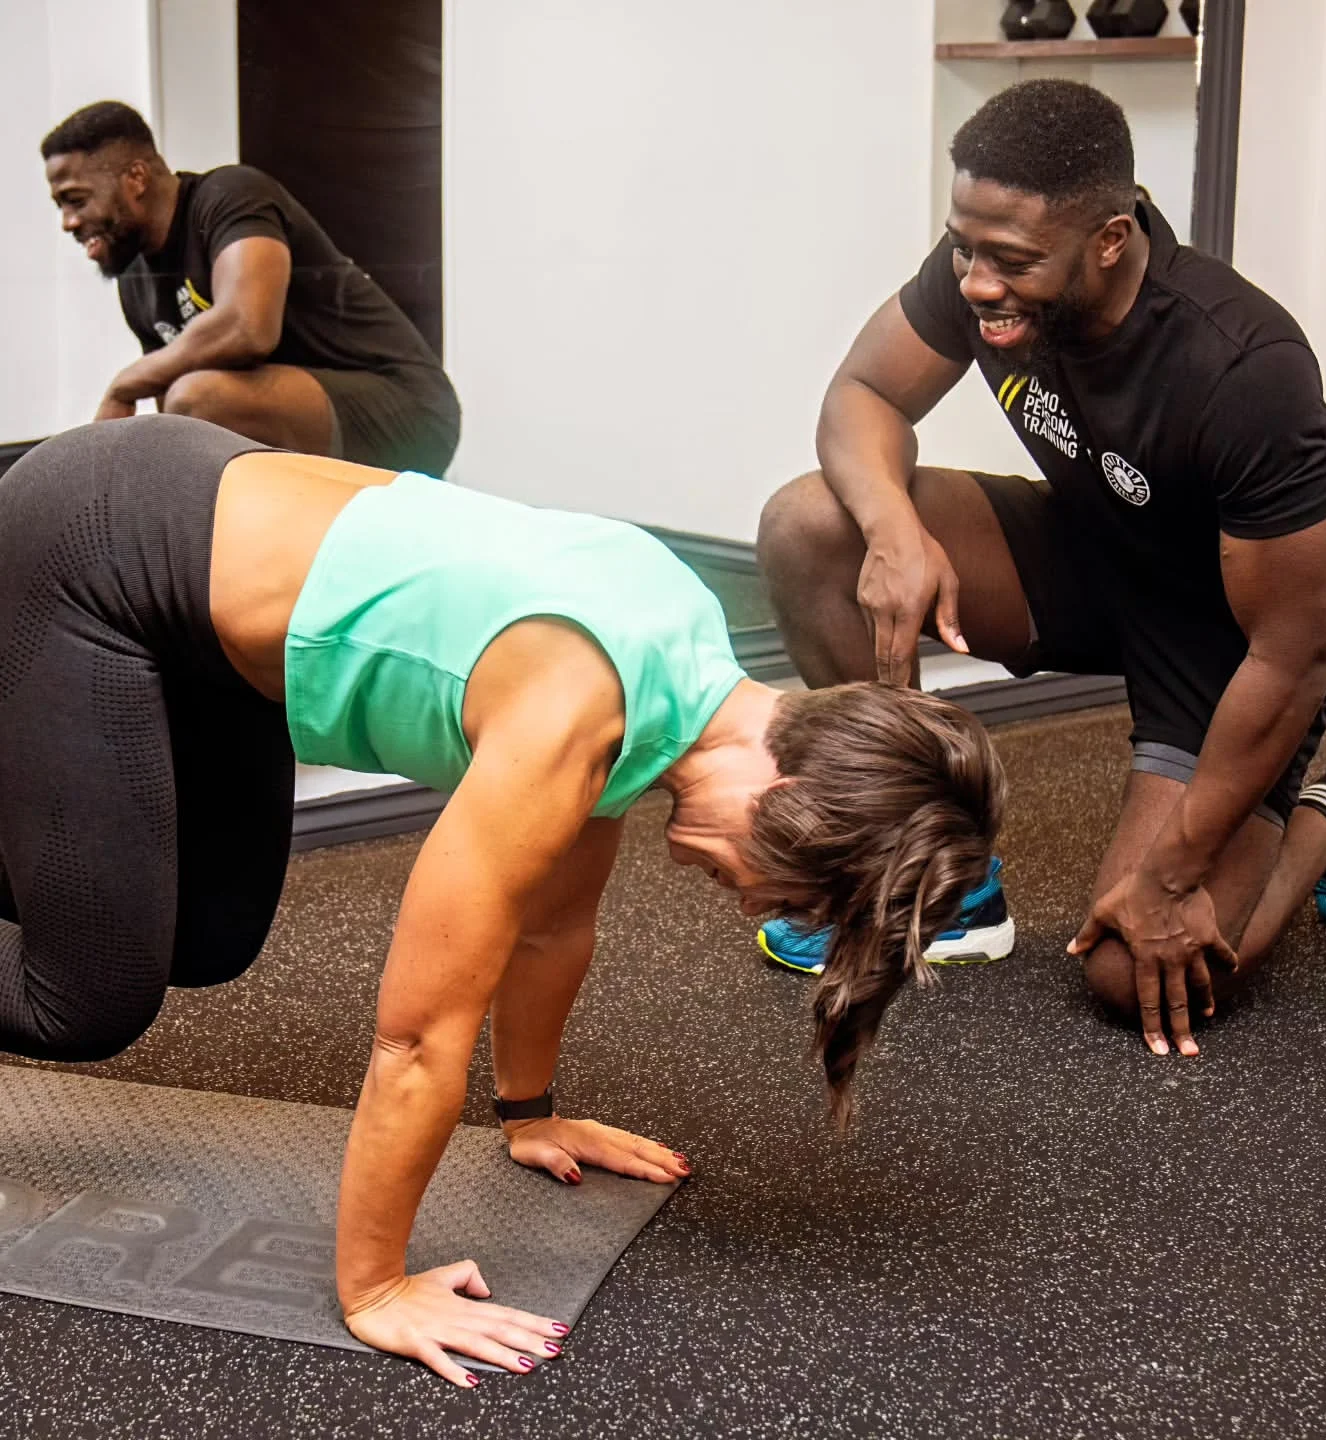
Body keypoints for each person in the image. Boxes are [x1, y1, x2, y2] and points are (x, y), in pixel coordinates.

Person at [0, 413, 1003, 1382]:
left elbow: (552, 925)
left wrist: (529, 1114)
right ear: (788, 794)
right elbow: (418, 1037)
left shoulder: (680, 672)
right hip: (94, 551)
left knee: (208, 935)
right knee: (84, 997)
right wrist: (376, 1286)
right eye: (788, 882)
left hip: (194, 583)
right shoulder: (574, 708)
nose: (753, 903)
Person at [756, 79, 1326, 1058]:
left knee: (1137, 971)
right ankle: (945, 873)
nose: (978, 280)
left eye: (1012, 259)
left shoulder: (1242, 367)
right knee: (813, 524)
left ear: (1111, 238)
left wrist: (1173, 873)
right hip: (1093, 550)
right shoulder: (983, 269)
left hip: (1233, 638)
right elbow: (863, 392)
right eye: (966, 247)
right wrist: (894, 526)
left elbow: (1291, 652)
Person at [41, 101, 460, 475]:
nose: (68, 222)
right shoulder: (136, 283)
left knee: (196, 398)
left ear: (136, 178)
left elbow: (247, 326)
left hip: (410, 409)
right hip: (308, 417)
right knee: (182, 412)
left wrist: (124, 384)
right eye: (60, 205)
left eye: (76, 199)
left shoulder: (229, 196)